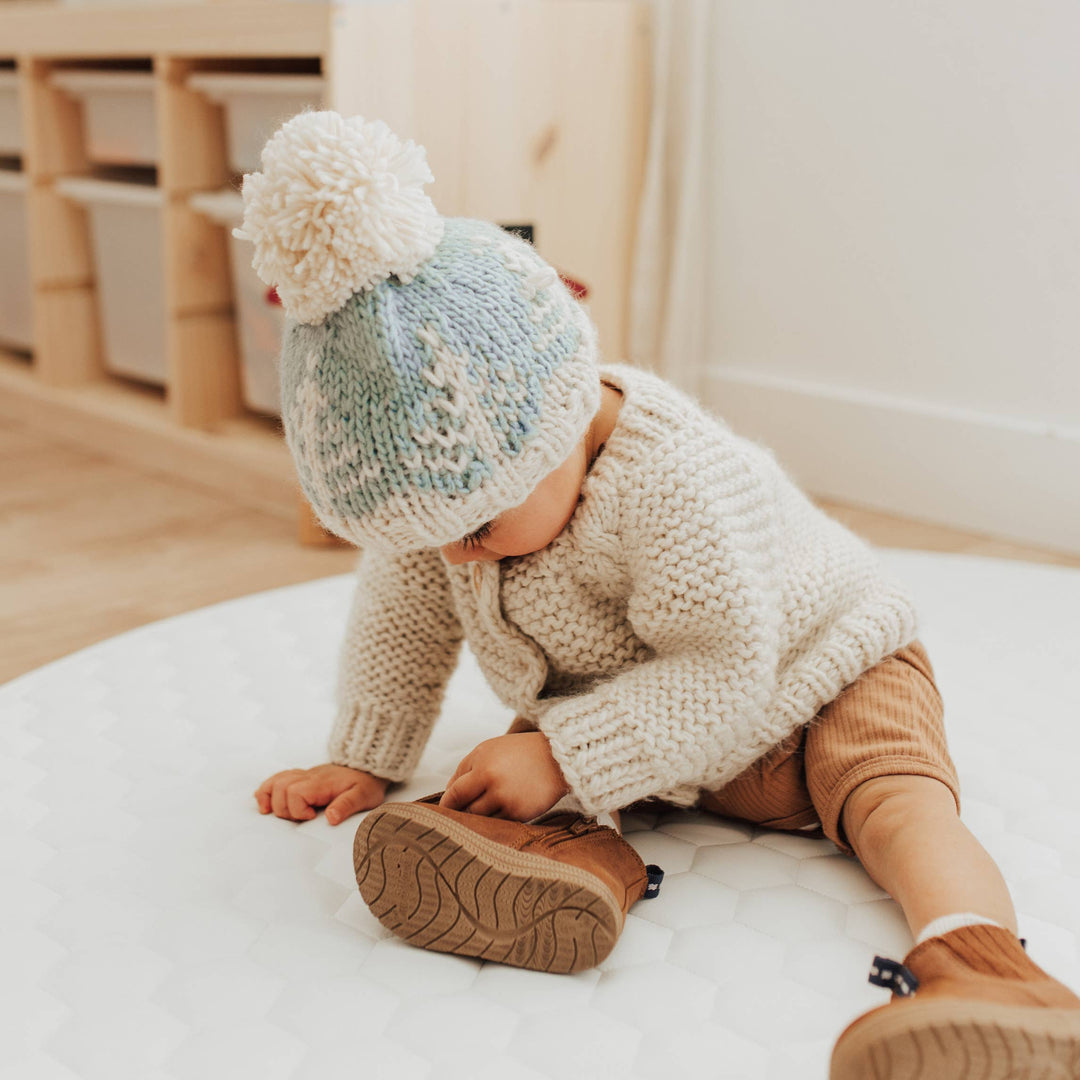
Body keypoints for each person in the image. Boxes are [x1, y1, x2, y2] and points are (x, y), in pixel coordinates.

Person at [242, 110, 1080, 1077]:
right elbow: (402, 618)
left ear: (559, 414)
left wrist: (560, 752)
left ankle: (982, 967)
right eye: (429, 538)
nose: (457, 561)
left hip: (818, 677)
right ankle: (560, 872)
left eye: (475, 530)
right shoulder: (457, 512)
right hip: (647, 715)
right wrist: (365, 757)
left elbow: (728, 665)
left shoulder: (673, 481)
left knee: (896, 805)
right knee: (509, 786)